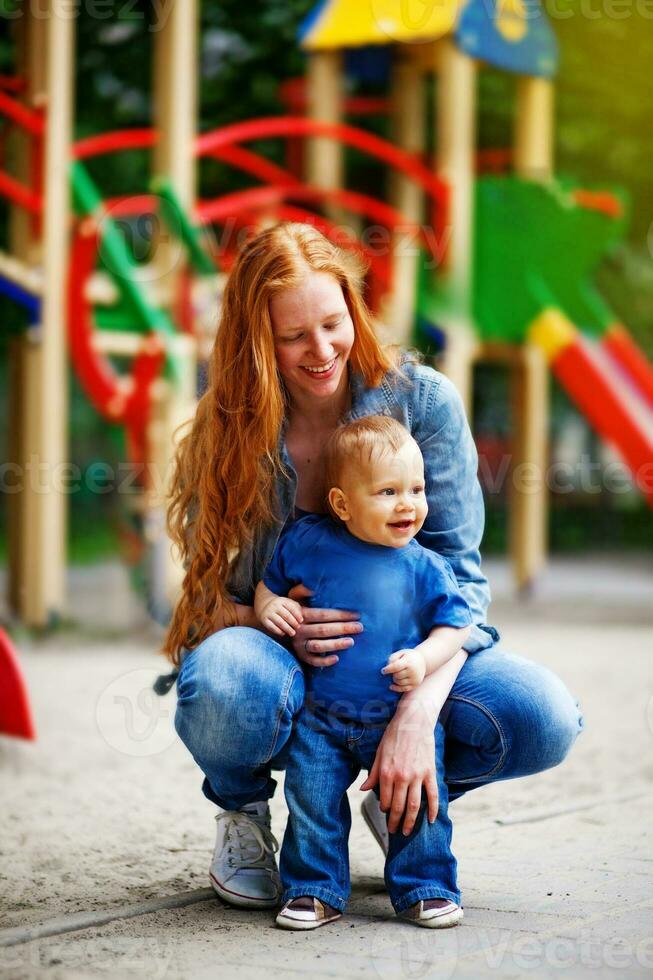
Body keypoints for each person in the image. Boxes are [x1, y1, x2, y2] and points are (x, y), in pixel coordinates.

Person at [165, 222, 583, 917]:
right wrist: (267, 619)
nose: (321, 350)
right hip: (276, 661)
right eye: (292, 335)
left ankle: (406, 792)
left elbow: (463, 586)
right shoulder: (228, 424)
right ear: (256, 337)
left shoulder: (421, 403)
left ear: (352, 312)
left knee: (542, 716)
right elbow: (202, 597)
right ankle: (242, 813)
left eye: (332, 323)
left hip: (409, 658)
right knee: (222, 682)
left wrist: (415, 714)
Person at [255, 416, 473, 930]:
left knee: (417, 799)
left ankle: (425, 884)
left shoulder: (425, 567)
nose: (409, 504)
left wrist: (422, 659)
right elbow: (270, 582)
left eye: (417, 489)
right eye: (388, 491)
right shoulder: (309, 542)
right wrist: (269, 606)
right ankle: (314, 887)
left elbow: (457, 628)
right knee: (311, 802)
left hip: (390, 713)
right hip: (322, 715)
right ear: (342, 504)